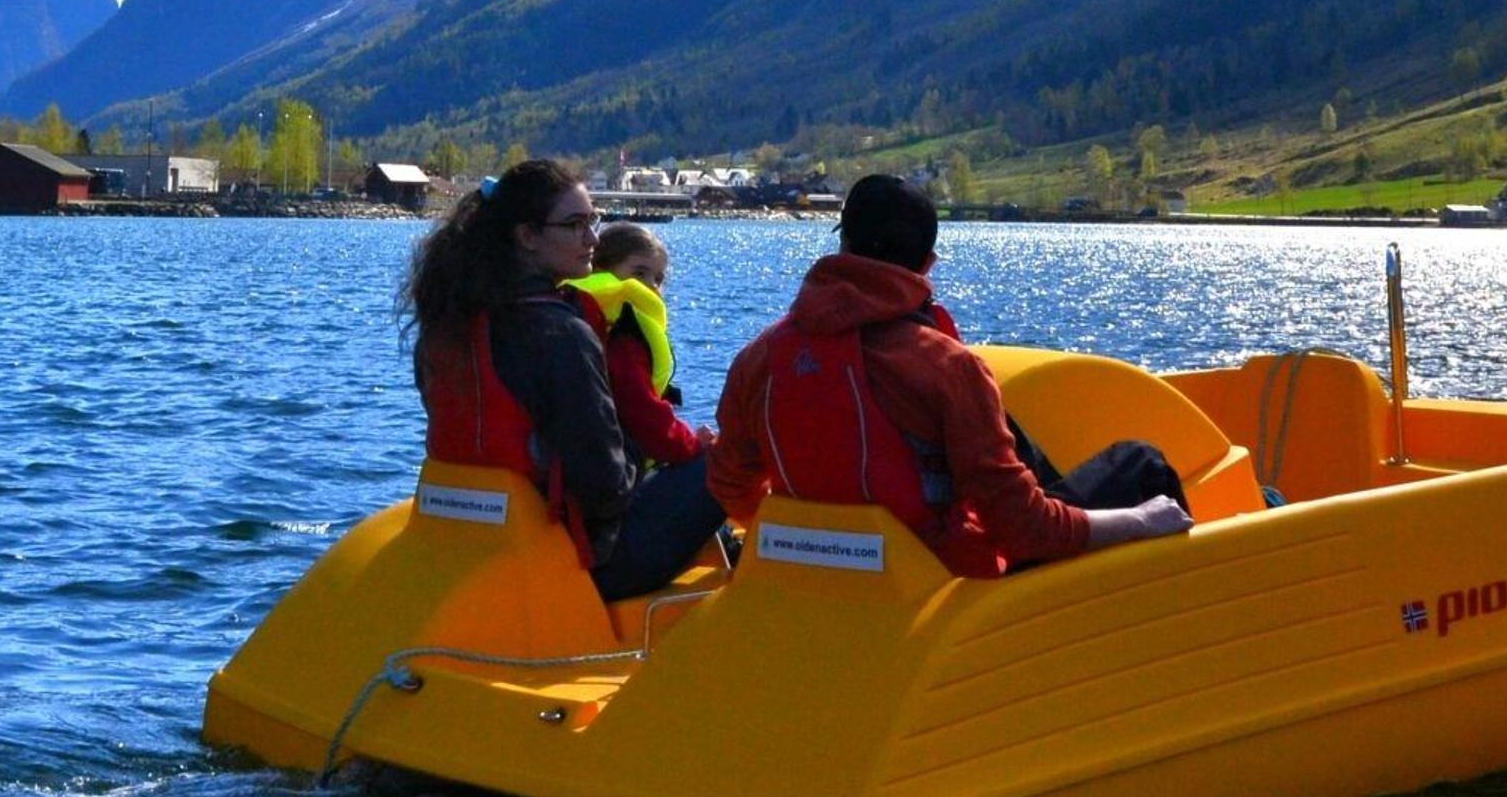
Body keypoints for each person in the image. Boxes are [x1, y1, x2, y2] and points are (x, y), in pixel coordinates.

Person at [704, 173, 1192, 576]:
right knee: (1141, 464)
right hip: (943, 586)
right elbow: (1025, 530)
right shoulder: (947, 367)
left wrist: (813, 540)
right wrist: (1141, 520)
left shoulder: (758, 359)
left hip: (819, 576)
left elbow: (731, 487)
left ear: (844, 245)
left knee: (1014, 434)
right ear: (927, 264)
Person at [401, 160, 731, 602]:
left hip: (473, 538)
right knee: (726, 461)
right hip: (578, 561)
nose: (592, 239)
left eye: (592, 221)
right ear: (527, 236)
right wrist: (648, 449)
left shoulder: (448, 325)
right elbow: (606, 489)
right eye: (575, 225)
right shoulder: (562, 335)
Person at [563, 222, 704, 473]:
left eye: (659, 279)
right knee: (719, 466)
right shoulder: (623, 330)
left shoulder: (574, 311)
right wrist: (694, 443)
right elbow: (641, 413)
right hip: (620, 471)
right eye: (639, 273)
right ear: (601, 269)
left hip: (602, 461)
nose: (651, 286)